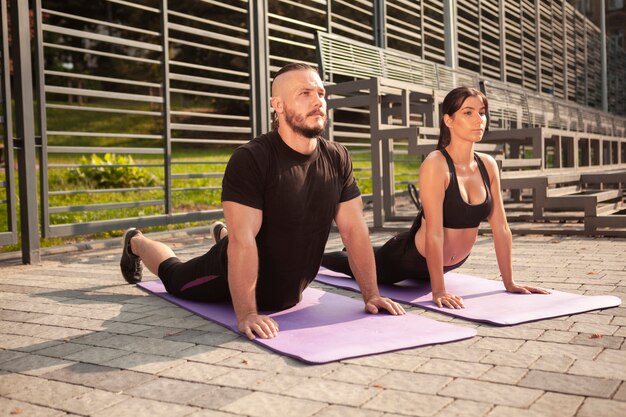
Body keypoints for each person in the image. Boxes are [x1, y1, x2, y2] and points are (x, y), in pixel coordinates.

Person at [120, 63, 405, 340]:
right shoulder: (252, 159)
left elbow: (354, 231)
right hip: (233, 268)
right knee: (174, 276)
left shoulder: (337, 157)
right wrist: (247, 313)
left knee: (245, 232)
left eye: (320, 93)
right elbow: (243, 242)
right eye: (304, 93)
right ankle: (137, 241)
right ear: (278, 105)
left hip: (287, 285)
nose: (317, 100)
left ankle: (224, 233)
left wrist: (372, 294)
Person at [322, 86, 549, 309]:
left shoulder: (488, 165)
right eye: (468, 112)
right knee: (346, 262)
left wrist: (509, 283)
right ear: (448, 120)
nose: (479, 119)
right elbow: (434, 231)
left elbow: (502, 228)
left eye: (482, 112)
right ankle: (317, 257)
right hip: (407, 258)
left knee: (360, 254)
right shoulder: (436, 164)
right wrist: (438, 290)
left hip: (449, 263)